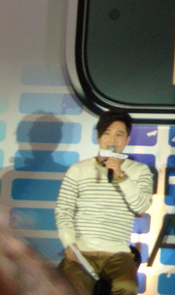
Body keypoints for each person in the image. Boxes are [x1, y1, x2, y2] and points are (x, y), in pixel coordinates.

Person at [55, 110, 153, 295]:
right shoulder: (78, 170)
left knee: (127, 286)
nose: (112, 140)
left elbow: (141, 206)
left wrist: (120, 176)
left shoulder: (139, 171)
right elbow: (64, 209)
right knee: (73, 288)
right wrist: (69, 243)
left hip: (117, 253)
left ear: (127, 139)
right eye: (107, 133)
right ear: (98, 137)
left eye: (119, 134)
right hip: (81, 250)